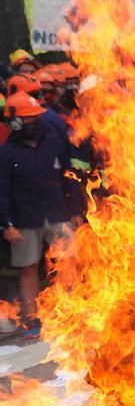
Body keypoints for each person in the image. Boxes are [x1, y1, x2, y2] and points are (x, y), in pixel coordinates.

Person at [0, 94, 82, 337]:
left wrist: (76, 209)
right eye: (29, 119)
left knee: (68, 263)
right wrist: (7, 224)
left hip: (58, 213)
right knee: (29, 268)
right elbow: (1, 190)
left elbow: (69, 178)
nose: (35, 122)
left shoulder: (54, 142)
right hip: (25, 219)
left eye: (37, 117)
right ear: (15, 123)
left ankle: (72, 312)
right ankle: (33, 319)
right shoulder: (6, 154)